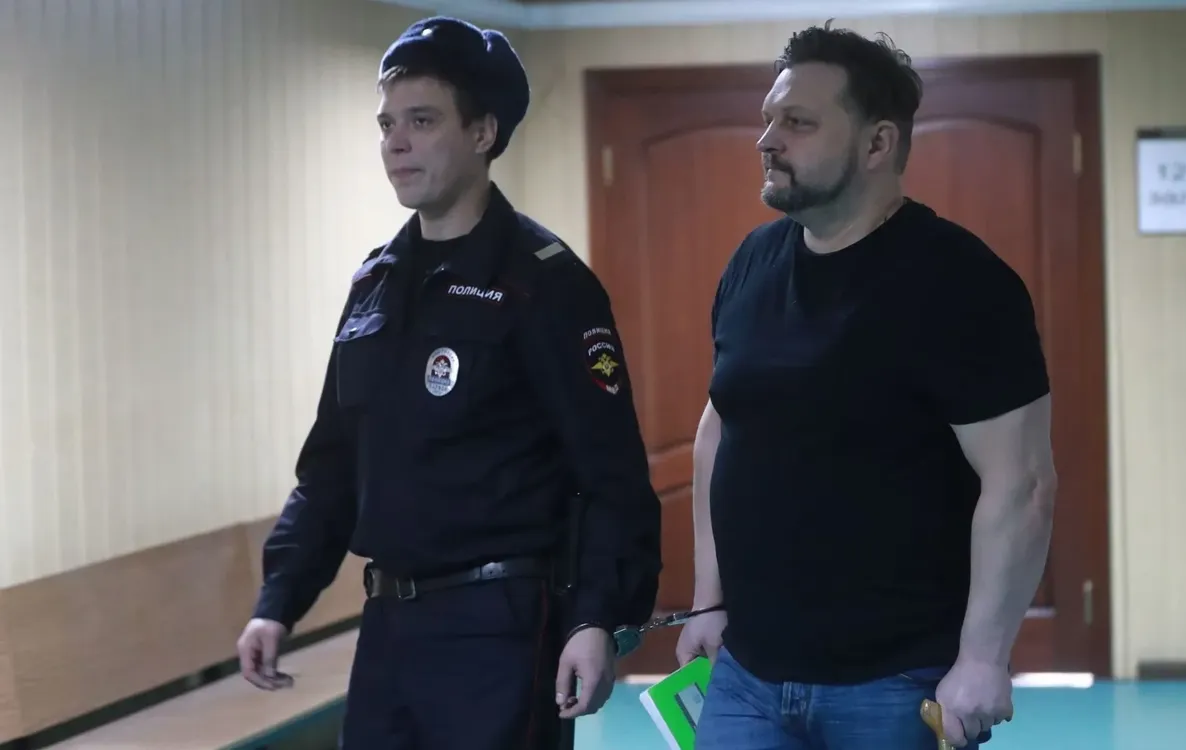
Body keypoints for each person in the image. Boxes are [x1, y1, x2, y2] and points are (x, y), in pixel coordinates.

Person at [234, 16, 662, 750]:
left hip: (500, 627)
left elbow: (610, 475)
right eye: (387, 124)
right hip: (389, 625)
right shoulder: (376, 284)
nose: (395, 143)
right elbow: (331, 465)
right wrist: (279, 601)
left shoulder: (545, 284)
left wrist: (596, 617)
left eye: (422, 121)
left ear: (483, 132)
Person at [675, 23, 1056, 750]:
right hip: (747, 676)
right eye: (768, 119)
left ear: (878, 143)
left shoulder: (960, 282)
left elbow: (1023, 484)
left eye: (798, 122)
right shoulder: (752, 263)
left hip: (896, 683)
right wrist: (708, 599)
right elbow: (720, 429)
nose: (767, 140)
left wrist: (983, 659)